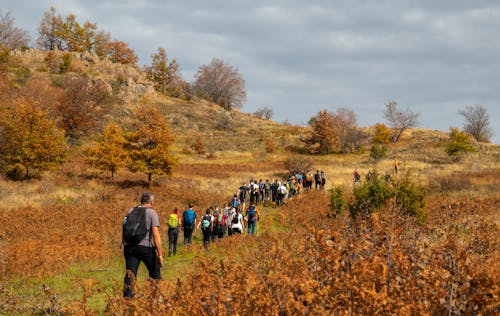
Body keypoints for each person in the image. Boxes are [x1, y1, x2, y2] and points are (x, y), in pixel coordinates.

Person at [122, 192, 163, 298]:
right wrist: (160, 254)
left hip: (129, 247)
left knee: (130, 274)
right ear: (151, 202)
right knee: (155, 272)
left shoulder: (130, 211)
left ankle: (127, 300)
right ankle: (154, 297)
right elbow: (156, 235)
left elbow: (124, 228)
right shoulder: (151, 213)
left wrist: (125, 243)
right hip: (145, 247)